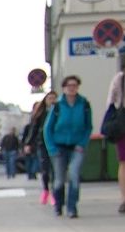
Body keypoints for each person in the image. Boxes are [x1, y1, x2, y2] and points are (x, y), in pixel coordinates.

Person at [44, 75, 93, 218]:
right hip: (59, 147)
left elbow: (88, 127)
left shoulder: (84, 104)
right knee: (59, 179)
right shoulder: (58, 106)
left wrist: (82, 144)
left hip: (77, 146)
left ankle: (72, 207)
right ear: (64, 88)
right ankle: (58, 205)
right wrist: (52, 148)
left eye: (74, 85)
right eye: (69, 86)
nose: (72, 88)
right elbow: (48, 129)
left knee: (74, 174)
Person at [25, 91, 57, 202]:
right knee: (45, 168)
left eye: (54, 98)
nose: (52, 100)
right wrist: (28, 143)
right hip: (43, 143)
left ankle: (54, 193)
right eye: (50, 98)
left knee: (55, 169)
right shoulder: (41, 113)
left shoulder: (58, 111)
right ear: (45, 100)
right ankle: (46, 190)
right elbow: (33, 129)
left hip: (56, 143)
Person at [109, 65, 125, 213]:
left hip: (121, 123)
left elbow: (110, 103)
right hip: (122, 124)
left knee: (123, 163)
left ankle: (124, 199)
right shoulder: (120, 78)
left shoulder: (119, 78)